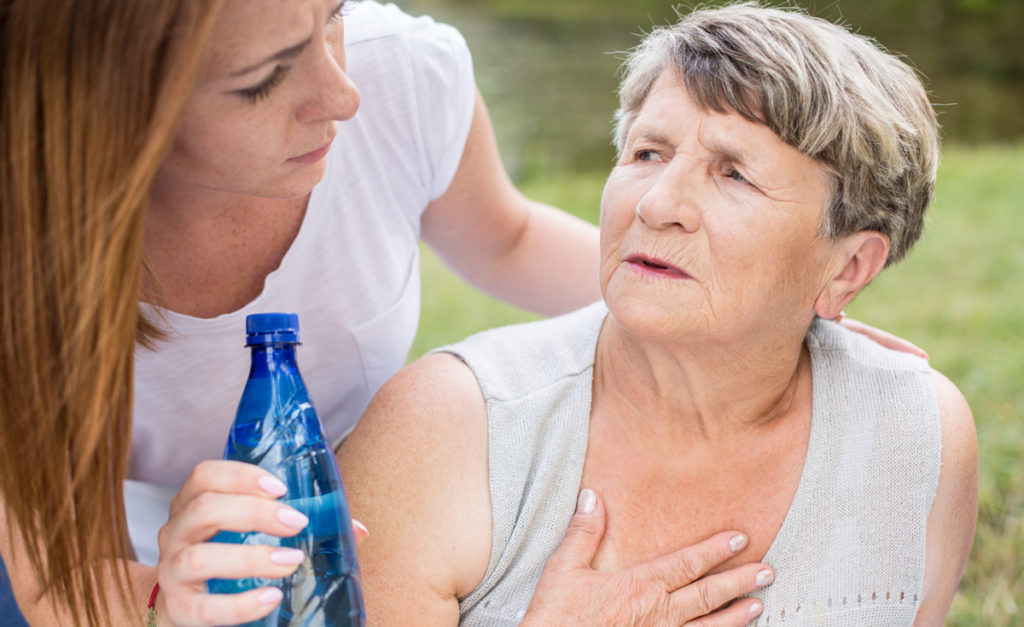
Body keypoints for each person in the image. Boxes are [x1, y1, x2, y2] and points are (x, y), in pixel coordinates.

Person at [0, 0, 925, 624]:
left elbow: (510, 238)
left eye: (332, 16)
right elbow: (58, 584)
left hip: (354, 515)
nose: (341, 94)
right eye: (263, 80)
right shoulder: (23, 236)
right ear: (119, 112)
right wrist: (169, 596)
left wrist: (754, 300)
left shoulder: (399, 75)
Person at [336, 4, 978, 625]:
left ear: (847, 269)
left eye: (734, 175)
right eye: (648, 153)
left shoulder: (918, 436)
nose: (659, 203)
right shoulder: (444, 430)